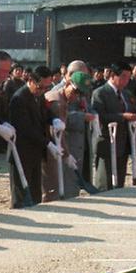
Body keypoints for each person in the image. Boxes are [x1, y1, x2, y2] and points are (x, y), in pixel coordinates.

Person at [9, 65, 56, 207]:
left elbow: (45, 114)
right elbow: (25, 128)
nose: (43, 91)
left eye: (47, 88)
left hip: (36, 151)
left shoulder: (39, 96)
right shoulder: (19, 98)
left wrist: (54, 119)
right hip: (21, 152)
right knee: (21, 194)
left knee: (35, 192)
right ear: (31, 80)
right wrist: (47, 143)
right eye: (41, 87)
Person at [42, 71, 91, 201]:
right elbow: (55, 133)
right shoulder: (57, 101)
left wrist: (67, 154)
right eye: (75, 92)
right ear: (68, 83)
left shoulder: (64, 99)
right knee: (51, 188)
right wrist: (66, 154)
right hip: (47, 149)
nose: (77, 96)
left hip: (53, 148)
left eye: (80, 94)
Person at [92, 62, 136, 190]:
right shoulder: (100, 93)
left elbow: (132, 110)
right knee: (105, 181)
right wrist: (122, 116)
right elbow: (100, 117)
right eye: (123, 77)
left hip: (123, 142)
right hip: (107, 141)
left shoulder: (126, 94)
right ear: (112, 75)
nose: (126, 81)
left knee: (119, 180)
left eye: (129, 77)